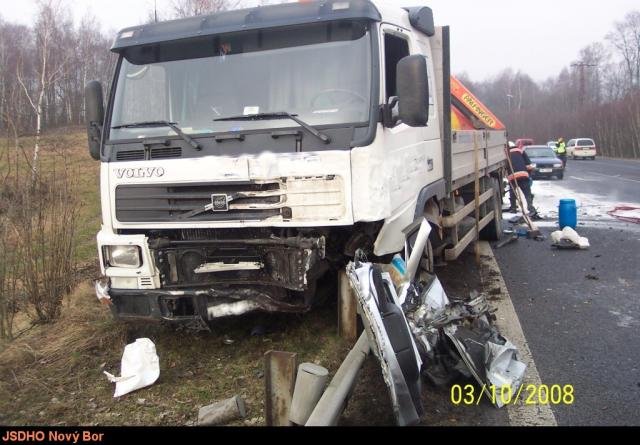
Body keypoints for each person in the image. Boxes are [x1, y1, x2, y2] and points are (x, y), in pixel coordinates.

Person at [507, 141, 537, 216]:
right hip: (523, 175)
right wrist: (529, 175)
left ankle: (513, 208)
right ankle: (530, 208)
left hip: (513, 176)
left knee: (513, 192)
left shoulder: (506, 153)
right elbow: (528, 163)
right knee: (527, 193)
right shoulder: (520, 151)